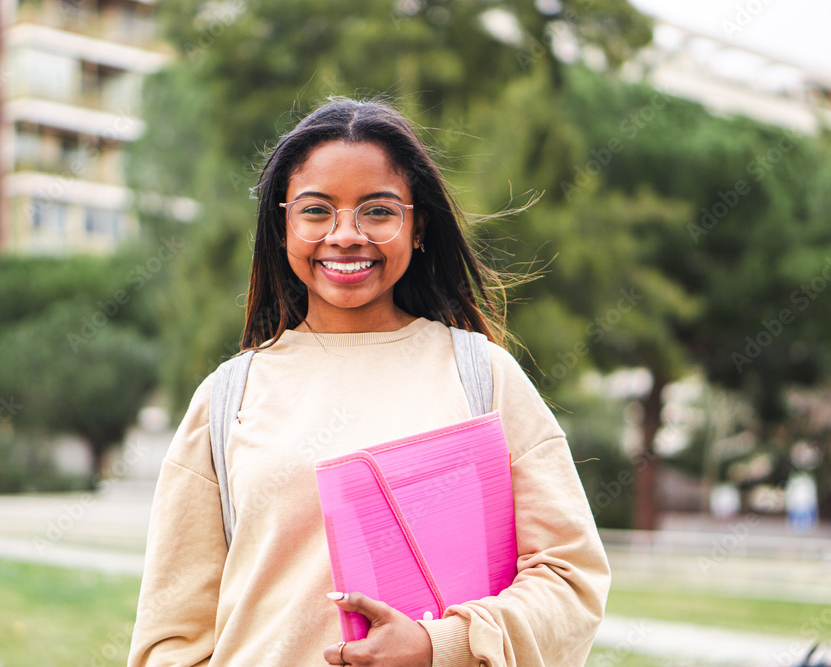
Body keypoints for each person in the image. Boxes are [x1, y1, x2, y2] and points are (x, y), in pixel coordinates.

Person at [127, 98, 610, 667]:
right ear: (282, 227)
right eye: (316, 211)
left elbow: (570, 579)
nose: (346, 235)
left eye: (377, 211)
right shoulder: (227, 396)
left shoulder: (482, 376)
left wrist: (440, 644)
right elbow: (170, 638)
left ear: (418, 224)